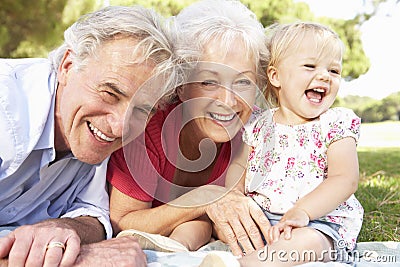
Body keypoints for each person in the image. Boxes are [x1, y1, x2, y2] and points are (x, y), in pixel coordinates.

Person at [0, 5, 177, 266]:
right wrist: (79, 258)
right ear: (68, 66)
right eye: (110, 94)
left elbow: (94, 213)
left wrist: (64, 229)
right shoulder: (6, 105)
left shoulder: (93, 131)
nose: (119, 128)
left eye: (141, 110)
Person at [107, 0, 270, 253]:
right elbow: (122, 221)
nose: (228, 102)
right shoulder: (147, 126)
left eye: (243, 82)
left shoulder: (260, 133)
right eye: (208, 82)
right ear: (180, 85)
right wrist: (204, 198)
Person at [220, 21, 364, 266]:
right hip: (262, 219)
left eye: (334, 71)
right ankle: (177, 250)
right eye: (310, 66)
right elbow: (239, 169)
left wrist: (303, 212)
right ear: (275, 76)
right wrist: (233, 196)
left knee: (306, 244)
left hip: (319, 223)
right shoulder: (258, 125)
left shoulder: (335, 123)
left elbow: (345, 178)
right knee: (208, 224)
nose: (324, 76)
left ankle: (244, 265)